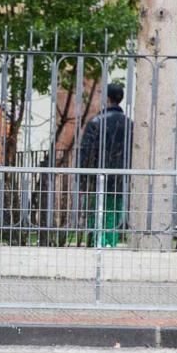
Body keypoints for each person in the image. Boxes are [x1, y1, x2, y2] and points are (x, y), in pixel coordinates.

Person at [78, 83, 133, 247]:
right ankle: (110, 243)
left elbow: (86, 153)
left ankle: (99, 244)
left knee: (97, 213)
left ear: (107, 99)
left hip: (97, 178)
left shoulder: (96, 122)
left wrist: (82, 178)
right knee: (114, 212)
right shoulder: (129, 124)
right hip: (119, 178)